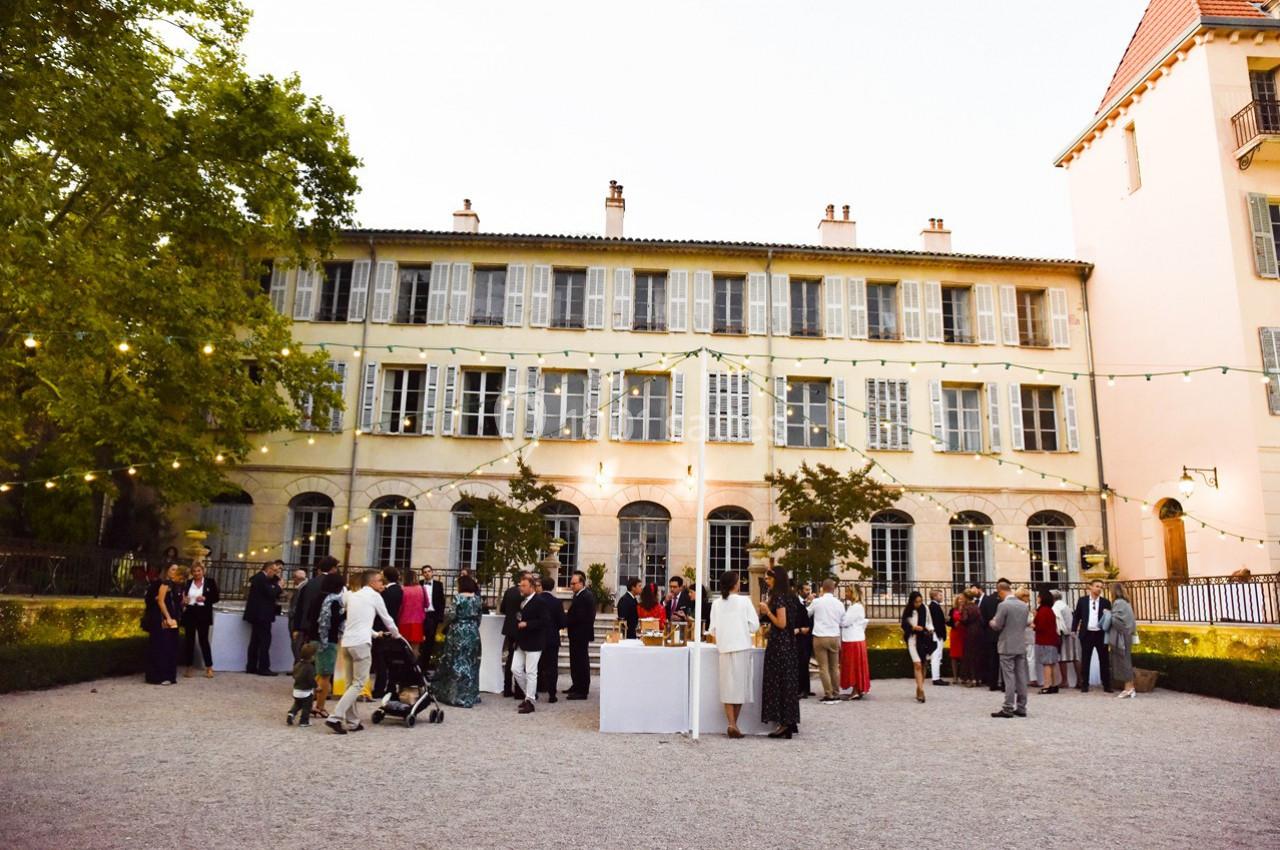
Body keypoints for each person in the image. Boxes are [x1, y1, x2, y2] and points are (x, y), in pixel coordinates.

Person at [325, 570, 401, 734]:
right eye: (381, 581)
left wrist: (375, 633)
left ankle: (353, 721)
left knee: (349, 683)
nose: (383, 584)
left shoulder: (351, 596)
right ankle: (335, 716)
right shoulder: (374, 596)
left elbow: (356, 620)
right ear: (372, 582)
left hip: (347, 642)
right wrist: (397, 635)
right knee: (359, 683)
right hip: (360, 644)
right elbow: (387, 619)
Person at [709, 570, 760, 738]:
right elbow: (755, 626)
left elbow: (712, 629)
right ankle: (733, 724)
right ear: (735, 584)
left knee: (727, 688)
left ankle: (732, 724)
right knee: (740, 688)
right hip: (741, 646)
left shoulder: (717, 603)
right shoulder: (744, 601)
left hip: (724, 647)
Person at [758, 566, 801, 738]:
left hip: (780, 646)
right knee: (787, 683)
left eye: (768, 579)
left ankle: (785, 723)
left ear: (777, 579)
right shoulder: (790, 596)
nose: (766, 582)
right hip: (788, 643)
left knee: (780, 682)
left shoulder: (780, 597)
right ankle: (788, 722)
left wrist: (767, 611)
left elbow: (782, 623)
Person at [434, 574, 484, 707]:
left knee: (456, 661)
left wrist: (443, 627)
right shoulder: (477, 599)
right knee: (471, 662)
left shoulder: (458, 598)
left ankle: (456, 695)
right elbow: (479, 617)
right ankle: (471, 694)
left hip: (458, 631)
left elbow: (451, 615)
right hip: (473, 631)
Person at [990, 579, 1029, 718]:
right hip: (1020, 644)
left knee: (1009, 677)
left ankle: (1007, 707)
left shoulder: (1003, 605)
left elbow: (998, 625)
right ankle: (1022, 707)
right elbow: (1025, 624)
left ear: (1001, 590)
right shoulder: (1024, 605)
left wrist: (992, 621)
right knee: (1021, 676)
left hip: (1007, 644)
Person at [511, 573, 549, 714]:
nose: (521, 587)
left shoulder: (540, 601)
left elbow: (545, 621)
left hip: (534, 641)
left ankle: (530, 700)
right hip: (521, 641)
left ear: (532, 587)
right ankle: (529, 694)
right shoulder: (522, 600)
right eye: (521, 585)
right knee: (515, 669)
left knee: (532, 672)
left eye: (524, 585)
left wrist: (528, 624)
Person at [312, 572, 346, 719]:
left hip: (313, 638)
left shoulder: (316, 598)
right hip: (327, 640)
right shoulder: (333, 601)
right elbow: (336, 621)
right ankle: (320, 706)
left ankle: (310, 703)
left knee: (316, 674)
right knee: (325, 675)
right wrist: (345, 613)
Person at [144, 563, 184, 685]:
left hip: (173, 618)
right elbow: (155, 600)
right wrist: (167, 616)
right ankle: (158, 675)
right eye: (172, 569)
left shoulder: (178, 586)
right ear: (167, 570)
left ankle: (169, 675)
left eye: (177, 570)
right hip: (161, 618)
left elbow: (177, 603)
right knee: (161, 646)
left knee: (171, 646)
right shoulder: (160, 583)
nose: (174, 572)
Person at [806, 579, 844, 704]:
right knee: (834, 667)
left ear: (822, 588)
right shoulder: (839, 603)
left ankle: (828, 694)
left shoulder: (817, 602)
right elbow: (842, 620)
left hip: (820, 636)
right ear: (834, 589)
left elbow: (807, 613)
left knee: (823, 667)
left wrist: (809, 602)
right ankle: (836, 692)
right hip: (834, 636)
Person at [1073, 578, 1113, 693]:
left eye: (1101, 587)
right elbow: (1077, 616)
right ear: (1090, 587)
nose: (1099, 589)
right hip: (1087, 634)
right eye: (1097, 586)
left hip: (1100, 634)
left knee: (1104, 660)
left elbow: (1109, 619)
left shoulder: (1106, 602)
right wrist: (1073, 629)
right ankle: (1084, 684)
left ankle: (1107, 684)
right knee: (1086, 659)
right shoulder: (1082, 601)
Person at [243, 560, 283, 676]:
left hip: (258, 615)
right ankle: (263, 667)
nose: (276, 573)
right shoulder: (261, 579)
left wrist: (276, 582)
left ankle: (251, 666)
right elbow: (271, 592)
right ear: (268, 569)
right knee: (265, 641)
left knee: (255, 641)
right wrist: (279, 587)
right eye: (274, 571)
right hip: (262, 615)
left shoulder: (259, 578)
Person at [181, 559, 219, 679]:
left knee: (204, 641)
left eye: (199, 571)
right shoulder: (188, 583)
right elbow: (183, 597)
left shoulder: (210, 582)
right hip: (190, 612)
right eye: (194, 571)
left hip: (203, 613)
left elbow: (216, 597)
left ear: (203, 571)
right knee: (189, 641)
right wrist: (184, 601)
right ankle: (189, 667)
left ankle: (209, 667)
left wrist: (205, 598)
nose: (197, 573)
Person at [371, 566, 404, 700]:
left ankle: (379, 689)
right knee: (391, 661)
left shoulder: (385, 593)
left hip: (381, 628)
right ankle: (391, 688)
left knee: (381, 661)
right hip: (393, 626)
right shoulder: (399, 590)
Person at [564, 570, 597, 699]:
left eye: (574, 583)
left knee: (581, 661)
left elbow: (581, 616)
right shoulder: (578, 595)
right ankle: (576, 684)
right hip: (576, 634)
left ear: (582, 583)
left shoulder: (586, 596)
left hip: (581, 634)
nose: (571, 586)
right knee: (575, 660)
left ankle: (582, 690)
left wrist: (565, 621)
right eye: (571, 583)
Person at [537, 574, 565, 703]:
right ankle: (552, 693)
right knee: (552, 666)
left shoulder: (536, 600)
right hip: (552, 637)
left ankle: (535, 691)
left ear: (541, 586)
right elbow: (562, 622)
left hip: (538, 637)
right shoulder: (557, 602)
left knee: (536, 665)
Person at [298, 556, 340, 643]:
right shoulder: (334, 584)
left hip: (308, 626)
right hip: (326, 628)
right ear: (333, 568)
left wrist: (298, 627)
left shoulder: (309, 583)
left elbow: (300, 604)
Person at [901, 591, 933, 703]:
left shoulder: (925, 608)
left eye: (920, 601)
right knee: (917, 664)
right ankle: (921, 690)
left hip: (923, 639)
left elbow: (929, 622)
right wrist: (913, 628)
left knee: (923, 664)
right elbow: (904, 624)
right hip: (912, 639)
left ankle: (919, 688)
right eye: (916, 602)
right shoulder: (908, 610)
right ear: (912, 601)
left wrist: (929, 629)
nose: (919, 604)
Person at [839, 585, 870, 699]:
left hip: (853, 639)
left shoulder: (855, 607)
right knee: (856, 665)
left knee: (853, 666)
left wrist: (840, 618)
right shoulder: (856, 606)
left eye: (847, 592)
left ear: (853, 593)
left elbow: (845, 622)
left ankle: (856, 690)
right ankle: (858, 688)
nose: (845, 594)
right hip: (855, 638)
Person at [1109, 583, 1138, 699]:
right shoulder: (1126, 603)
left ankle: (1129, 688)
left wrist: (1107, 615)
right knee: (1126, 659)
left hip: (1122, 635)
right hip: (1127, 634)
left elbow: (1116, 620)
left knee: (1123, 660)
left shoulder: (1118, 603)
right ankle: (1130, 687)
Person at [500, 574, 527, 697]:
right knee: (520, 659)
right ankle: (519, 690)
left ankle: (507, 688)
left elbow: (503, 608)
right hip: (520, 628)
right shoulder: (524, 593)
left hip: (509, 628)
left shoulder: (509, 591)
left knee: (510, 657)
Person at [1034, 589, 1062, 694]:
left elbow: (1040, 626)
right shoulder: (1049, 610)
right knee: (1052, 663)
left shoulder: (1043, 611)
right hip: (1052, 640)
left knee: (1047, 664)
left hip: (1045, 640)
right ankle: (1054, 684)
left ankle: (1047, 685)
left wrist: (1033, 625)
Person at [1051, 589, 1079, 689]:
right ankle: (1079, 680)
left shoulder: (1056, 607)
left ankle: (1064, 681)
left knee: (1062, 658)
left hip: (1064, 634)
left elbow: (1058, 621)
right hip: (1072, 632)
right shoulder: (1064, 605)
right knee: (1075, 657)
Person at [977, 581, 1003, 691]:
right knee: (1003, 660)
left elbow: (981, 618)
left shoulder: (986, 600)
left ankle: (992, 682)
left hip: (989, 632)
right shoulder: (1001, 601)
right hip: (1000, 632)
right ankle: (1003, 683)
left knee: (992, 659)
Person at [420, 565, 446, 668]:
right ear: (422, 574)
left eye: (429, 571)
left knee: (430, 641)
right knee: (420, 640)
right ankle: (420, 665)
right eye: (425, 572)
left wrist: (440, 617)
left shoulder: (438, 585)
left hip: (433, 615)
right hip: (422, 615)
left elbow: (441, 601)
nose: (427, 573)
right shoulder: (420, 584)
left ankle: (425, 665)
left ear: (432, 572)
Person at [398, 567, 427, 658]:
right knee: (415, 647)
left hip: (403, 620)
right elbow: (427, 604)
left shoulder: (402, 589)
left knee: (404, 646)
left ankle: (404, 668)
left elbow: (400, 606)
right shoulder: (421, 589)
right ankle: (414, 667)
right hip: (418, 621)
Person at [962, 589, 988, 688]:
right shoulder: (976, 606)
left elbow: (964, 619)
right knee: (977, 654)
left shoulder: (966, 607)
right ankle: (978, 678)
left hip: (970, 632)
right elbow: (982, 620)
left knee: (970, 655)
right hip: (979, 632)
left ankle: (971, 678)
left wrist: (962, 621)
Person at [286, 642, 317, 727]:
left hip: (296, 690)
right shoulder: (310, 668)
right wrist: (316, 686)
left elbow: (294, 675)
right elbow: (311, 679)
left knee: (297, 703)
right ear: (312, 656)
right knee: (307, 707)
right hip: (306, 692)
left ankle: (291, 713)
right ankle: (304, 721)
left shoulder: (297, 665)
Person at [794, 582, 814, 698]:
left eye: (809, 589)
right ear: (800, 590)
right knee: (801, 663)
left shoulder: (809, 603)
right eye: (806, 589)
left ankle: (806, 689)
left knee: (805, 663)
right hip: (800, 637)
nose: (808, 592)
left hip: (808, 637)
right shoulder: (797, 603)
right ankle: (801, 689)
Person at [927, 589, 950, 687]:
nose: (942, 597)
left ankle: (936, 677)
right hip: (937, 635)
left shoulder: (934, 606)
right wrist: (941, 634)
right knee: (936, 656)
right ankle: (936, 678)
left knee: (937, 656)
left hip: (937, 634)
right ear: (935, 596)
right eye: (940, 595)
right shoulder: (934, 607)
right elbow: (937, 623)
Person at [1016, 587, 1038, 687]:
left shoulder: (1017, 606)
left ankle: (1023, 678)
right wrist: (1033, 618)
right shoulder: (1024, 607)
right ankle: (1032, 678)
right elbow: (1027, 621)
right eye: (1027, 596)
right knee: (1030, 658)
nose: (1028, 598)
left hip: (1021, 634)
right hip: (1027, 634)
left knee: (1023, 658)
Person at [287, 568, 309, 661]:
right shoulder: (305, 587)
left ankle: (298, 664)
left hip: (297, 621)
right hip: (301, 620)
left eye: (293, 577)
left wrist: (291, 614)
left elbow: (297, 606)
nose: (293, 580)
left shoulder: (302, 589)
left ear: (297, 578)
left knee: (296, 643)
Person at [947, 593, 968, 684]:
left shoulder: (967, 609)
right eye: (959, 599)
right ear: (956, 600)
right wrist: (952, 623)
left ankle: (963, 676)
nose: (961, 600)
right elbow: (949, 622)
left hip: (964, 633)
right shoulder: (953, 610)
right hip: (955, 633)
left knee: (964, 655)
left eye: (962, 599)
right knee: (954, 655)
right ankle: (955, 677)